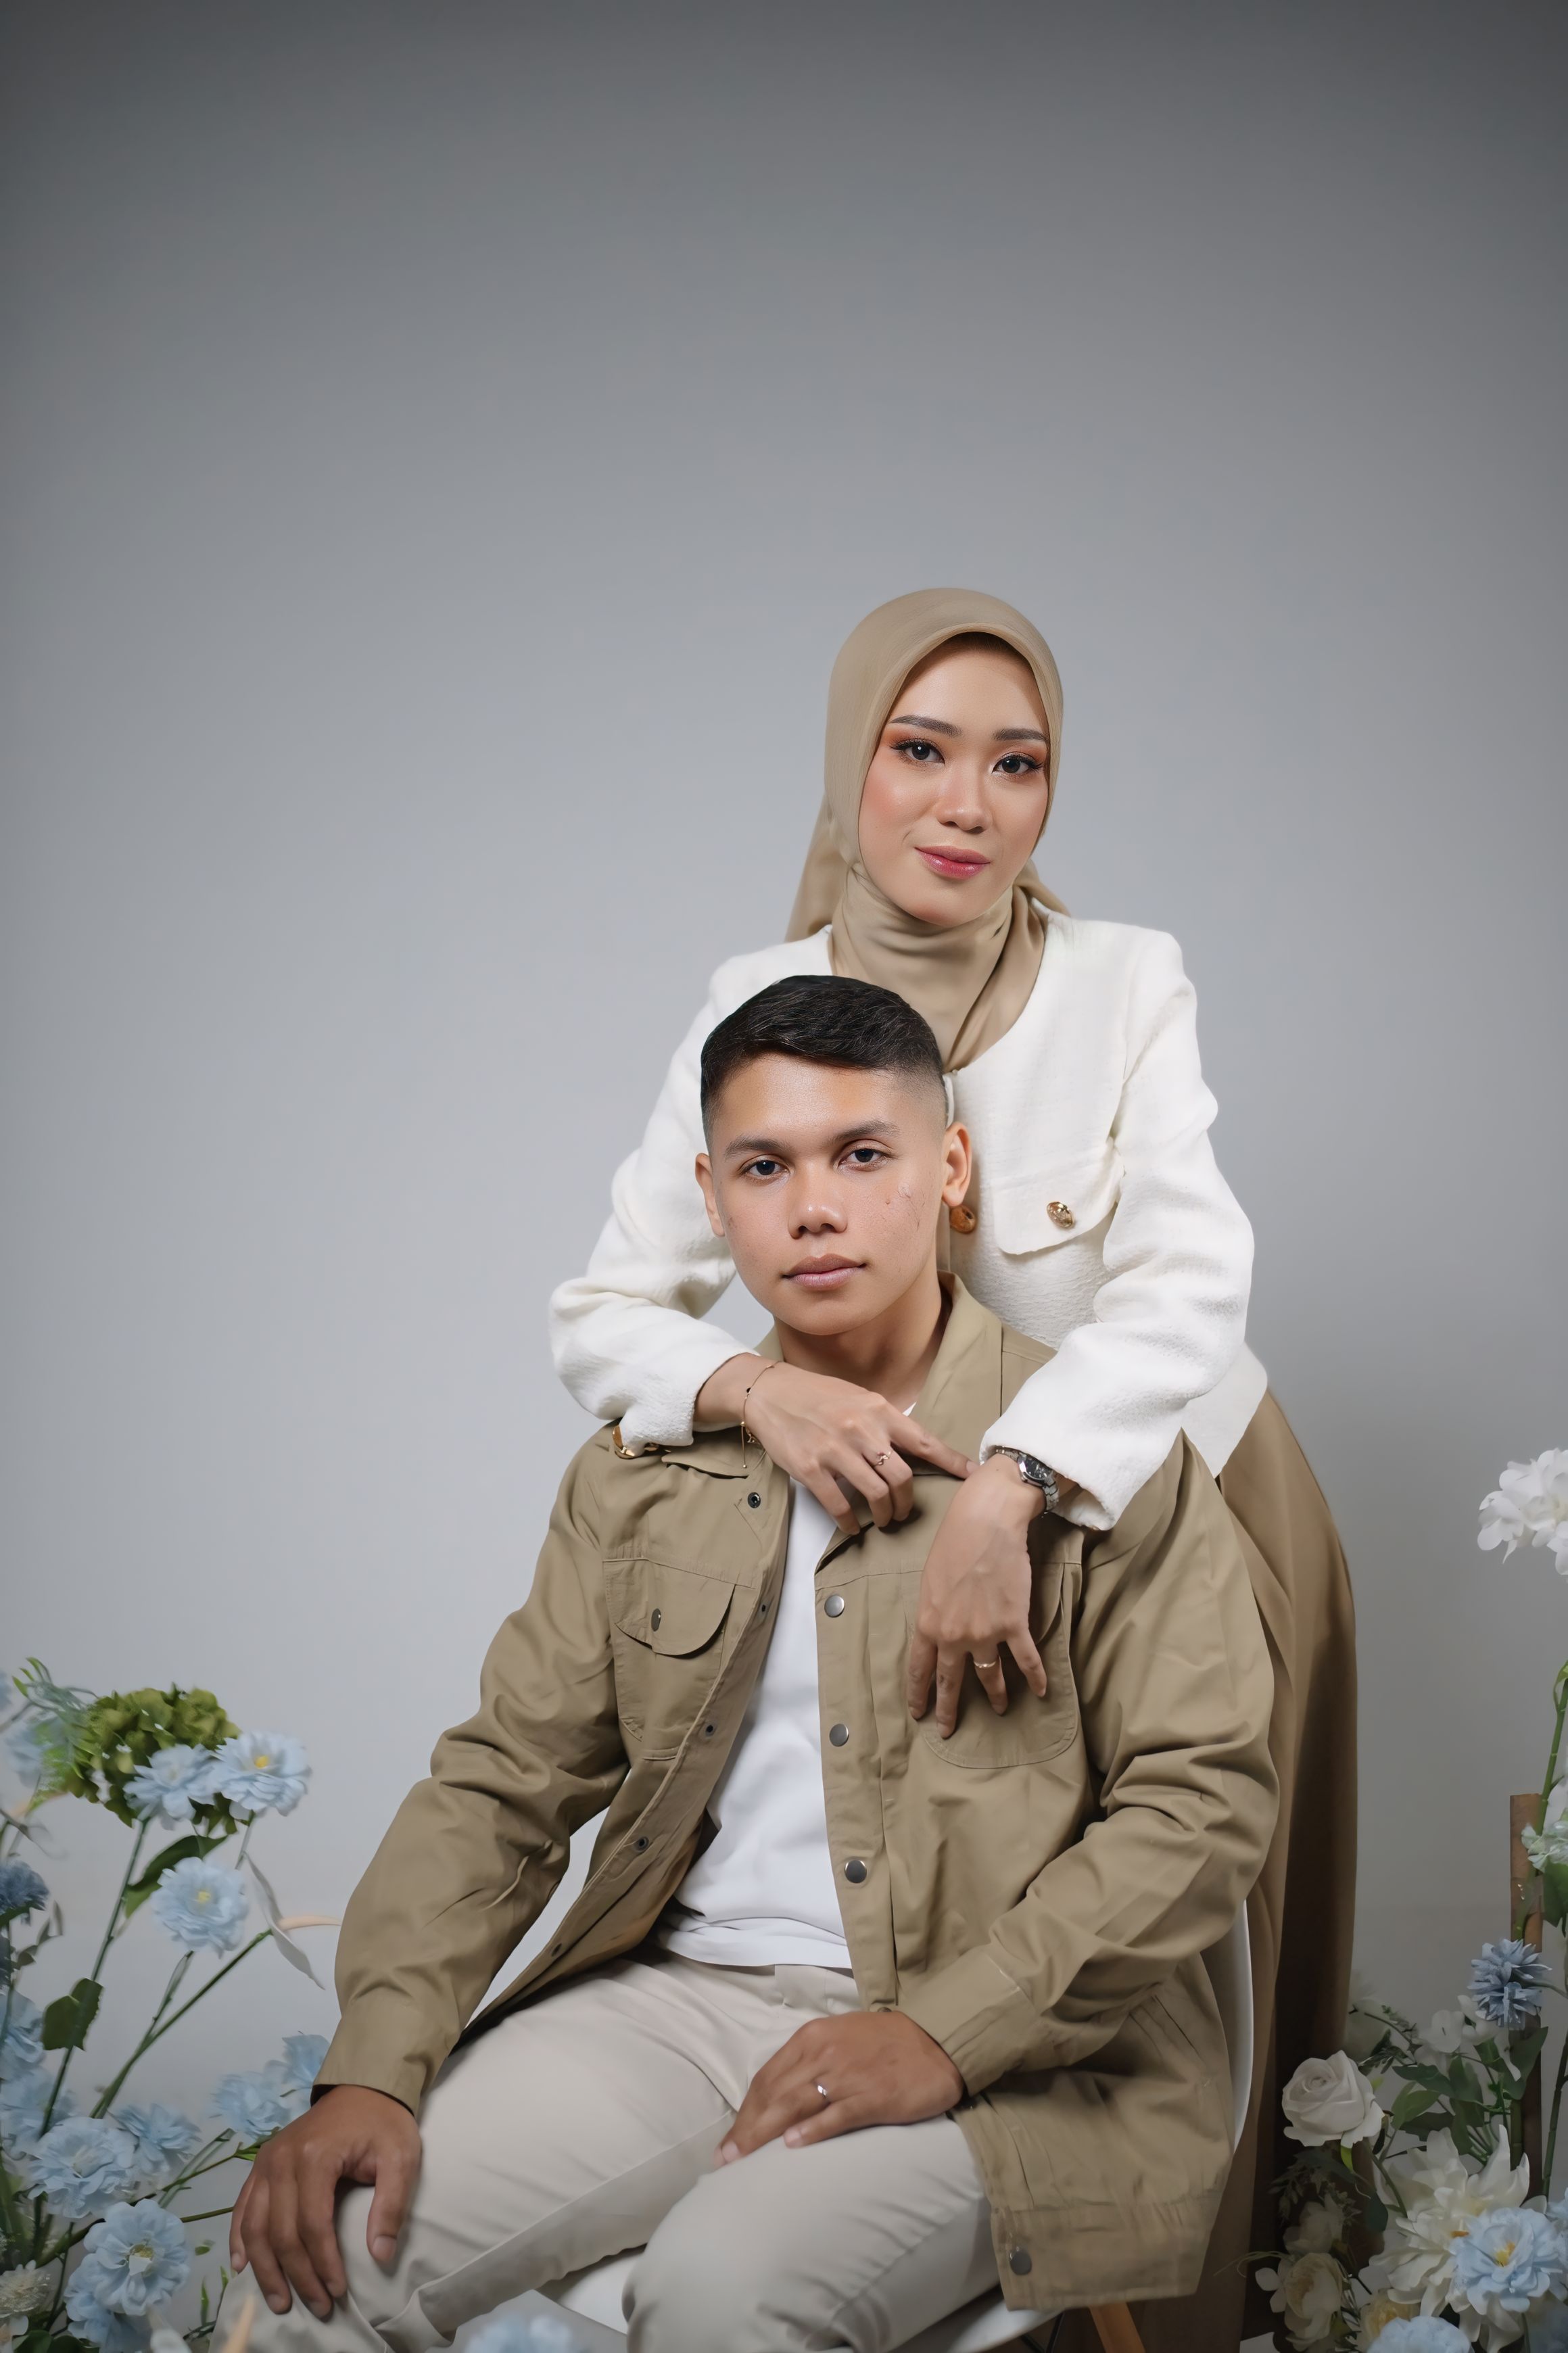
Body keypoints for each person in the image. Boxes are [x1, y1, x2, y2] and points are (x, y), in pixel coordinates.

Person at [231, 977, 1277, 2353]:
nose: (814, 1209)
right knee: (321, 2271)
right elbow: (502, 1784)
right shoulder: (641, 1475)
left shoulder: (1096, 1455)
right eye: (764, 1167)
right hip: (677, 2006)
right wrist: (369, 2071)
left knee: (723, 2300)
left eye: (863, 1154)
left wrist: (943, 2035)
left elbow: (1197, 1807)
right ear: (712, 1198)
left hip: (1022, 2051)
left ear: (951, 1170)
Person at [548, 588, 1356, 2348]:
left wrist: (1010, 1486)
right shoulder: (755, 1000)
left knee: (1170, 1950)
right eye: (919, 751)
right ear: (849, 764)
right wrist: (759, 1395)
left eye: (1018, 763)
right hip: (886, 1514)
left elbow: (1187, 1284)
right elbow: (605, 1311)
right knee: (925, 1903)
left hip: (1162, 1496)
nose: (966, 805)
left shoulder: (1124, 978)